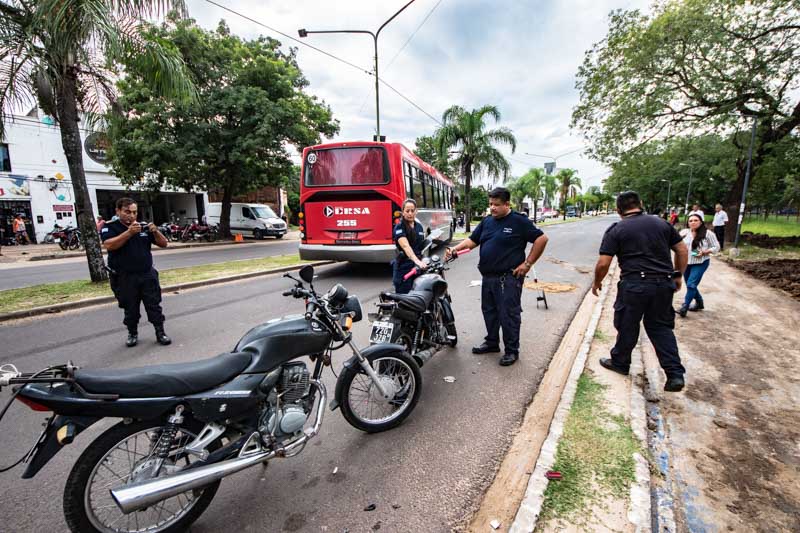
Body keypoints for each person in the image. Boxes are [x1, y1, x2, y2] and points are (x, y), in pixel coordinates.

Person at [592, 190, 689, 392]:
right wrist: (678, 274)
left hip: (634, 284)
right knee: (661, 327)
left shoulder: (617, 229)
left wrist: (597, 281)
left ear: (619, 210)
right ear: (641, 203)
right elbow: (681, 250)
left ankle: (620, 362)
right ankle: (674, 374)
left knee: (627, 324)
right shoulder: (662, 224)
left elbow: (604, 263)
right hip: (663, 284)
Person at [445, 187, 549, 366]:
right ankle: (492, 343)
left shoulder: (519, 221)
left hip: (508, 278)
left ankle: (511, 351)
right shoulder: (487, 222)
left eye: (496, 205)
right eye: (490, 204)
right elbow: (472, 241)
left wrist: (527, 264)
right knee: (490, 312)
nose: (492, 208)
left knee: (508, 314)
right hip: (488, 277)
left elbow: (542, 239)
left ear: (507, 204)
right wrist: (455, 249)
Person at [101, 197, 171, 347]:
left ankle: (160, 332)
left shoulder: (142, 226)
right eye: (127, 212)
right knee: (130, 308)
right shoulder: (110, 226)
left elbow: (164, 243)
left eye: (134, 212)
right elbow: (109, 245)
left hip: (147, 274)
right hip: (124, 277)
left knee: (154, 306)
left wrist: (156, 231)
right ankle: (132, 333)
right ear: (118, 211)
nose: (132, 216)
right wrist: (129, 233)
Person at [678, 213, 720, 317]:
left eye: (695, 220)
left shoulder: (708, 234)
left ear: (700, 222)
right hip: (686, 262)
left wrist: (705, 252)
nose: (693, 222)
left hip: (700, 262)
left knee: (691, 284)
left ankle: (685, 306)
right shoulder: (684, 232)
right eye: (691, 220)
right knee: (690, 284)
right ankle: (699, 302)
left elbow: (716, 247)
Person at [392, 199, 428, 294]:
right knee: (404, 299)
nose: (410, 213)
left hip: (417, 267)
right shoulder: (399, 227)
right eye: (407, 211)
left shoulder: (419, 227)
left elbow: (421, 246)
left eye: (412, 210)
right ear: (403, 212)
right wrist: (416, 261)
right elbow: (405, 246)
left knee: (419, 296)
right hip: (404, 267)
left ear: (416, 211)